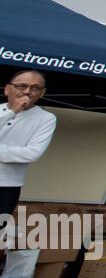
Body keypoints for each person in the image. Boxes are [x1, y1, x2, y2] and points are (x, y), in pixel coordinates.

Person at [0, 70, 58, 226]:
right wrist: (12, 112)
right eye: (21, 86)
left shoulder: (46, 119)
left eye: (34, 88)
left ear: (42, 93)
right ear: (7, 89)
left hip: (7, 186)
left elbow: (32, 153)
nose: (27, 92)